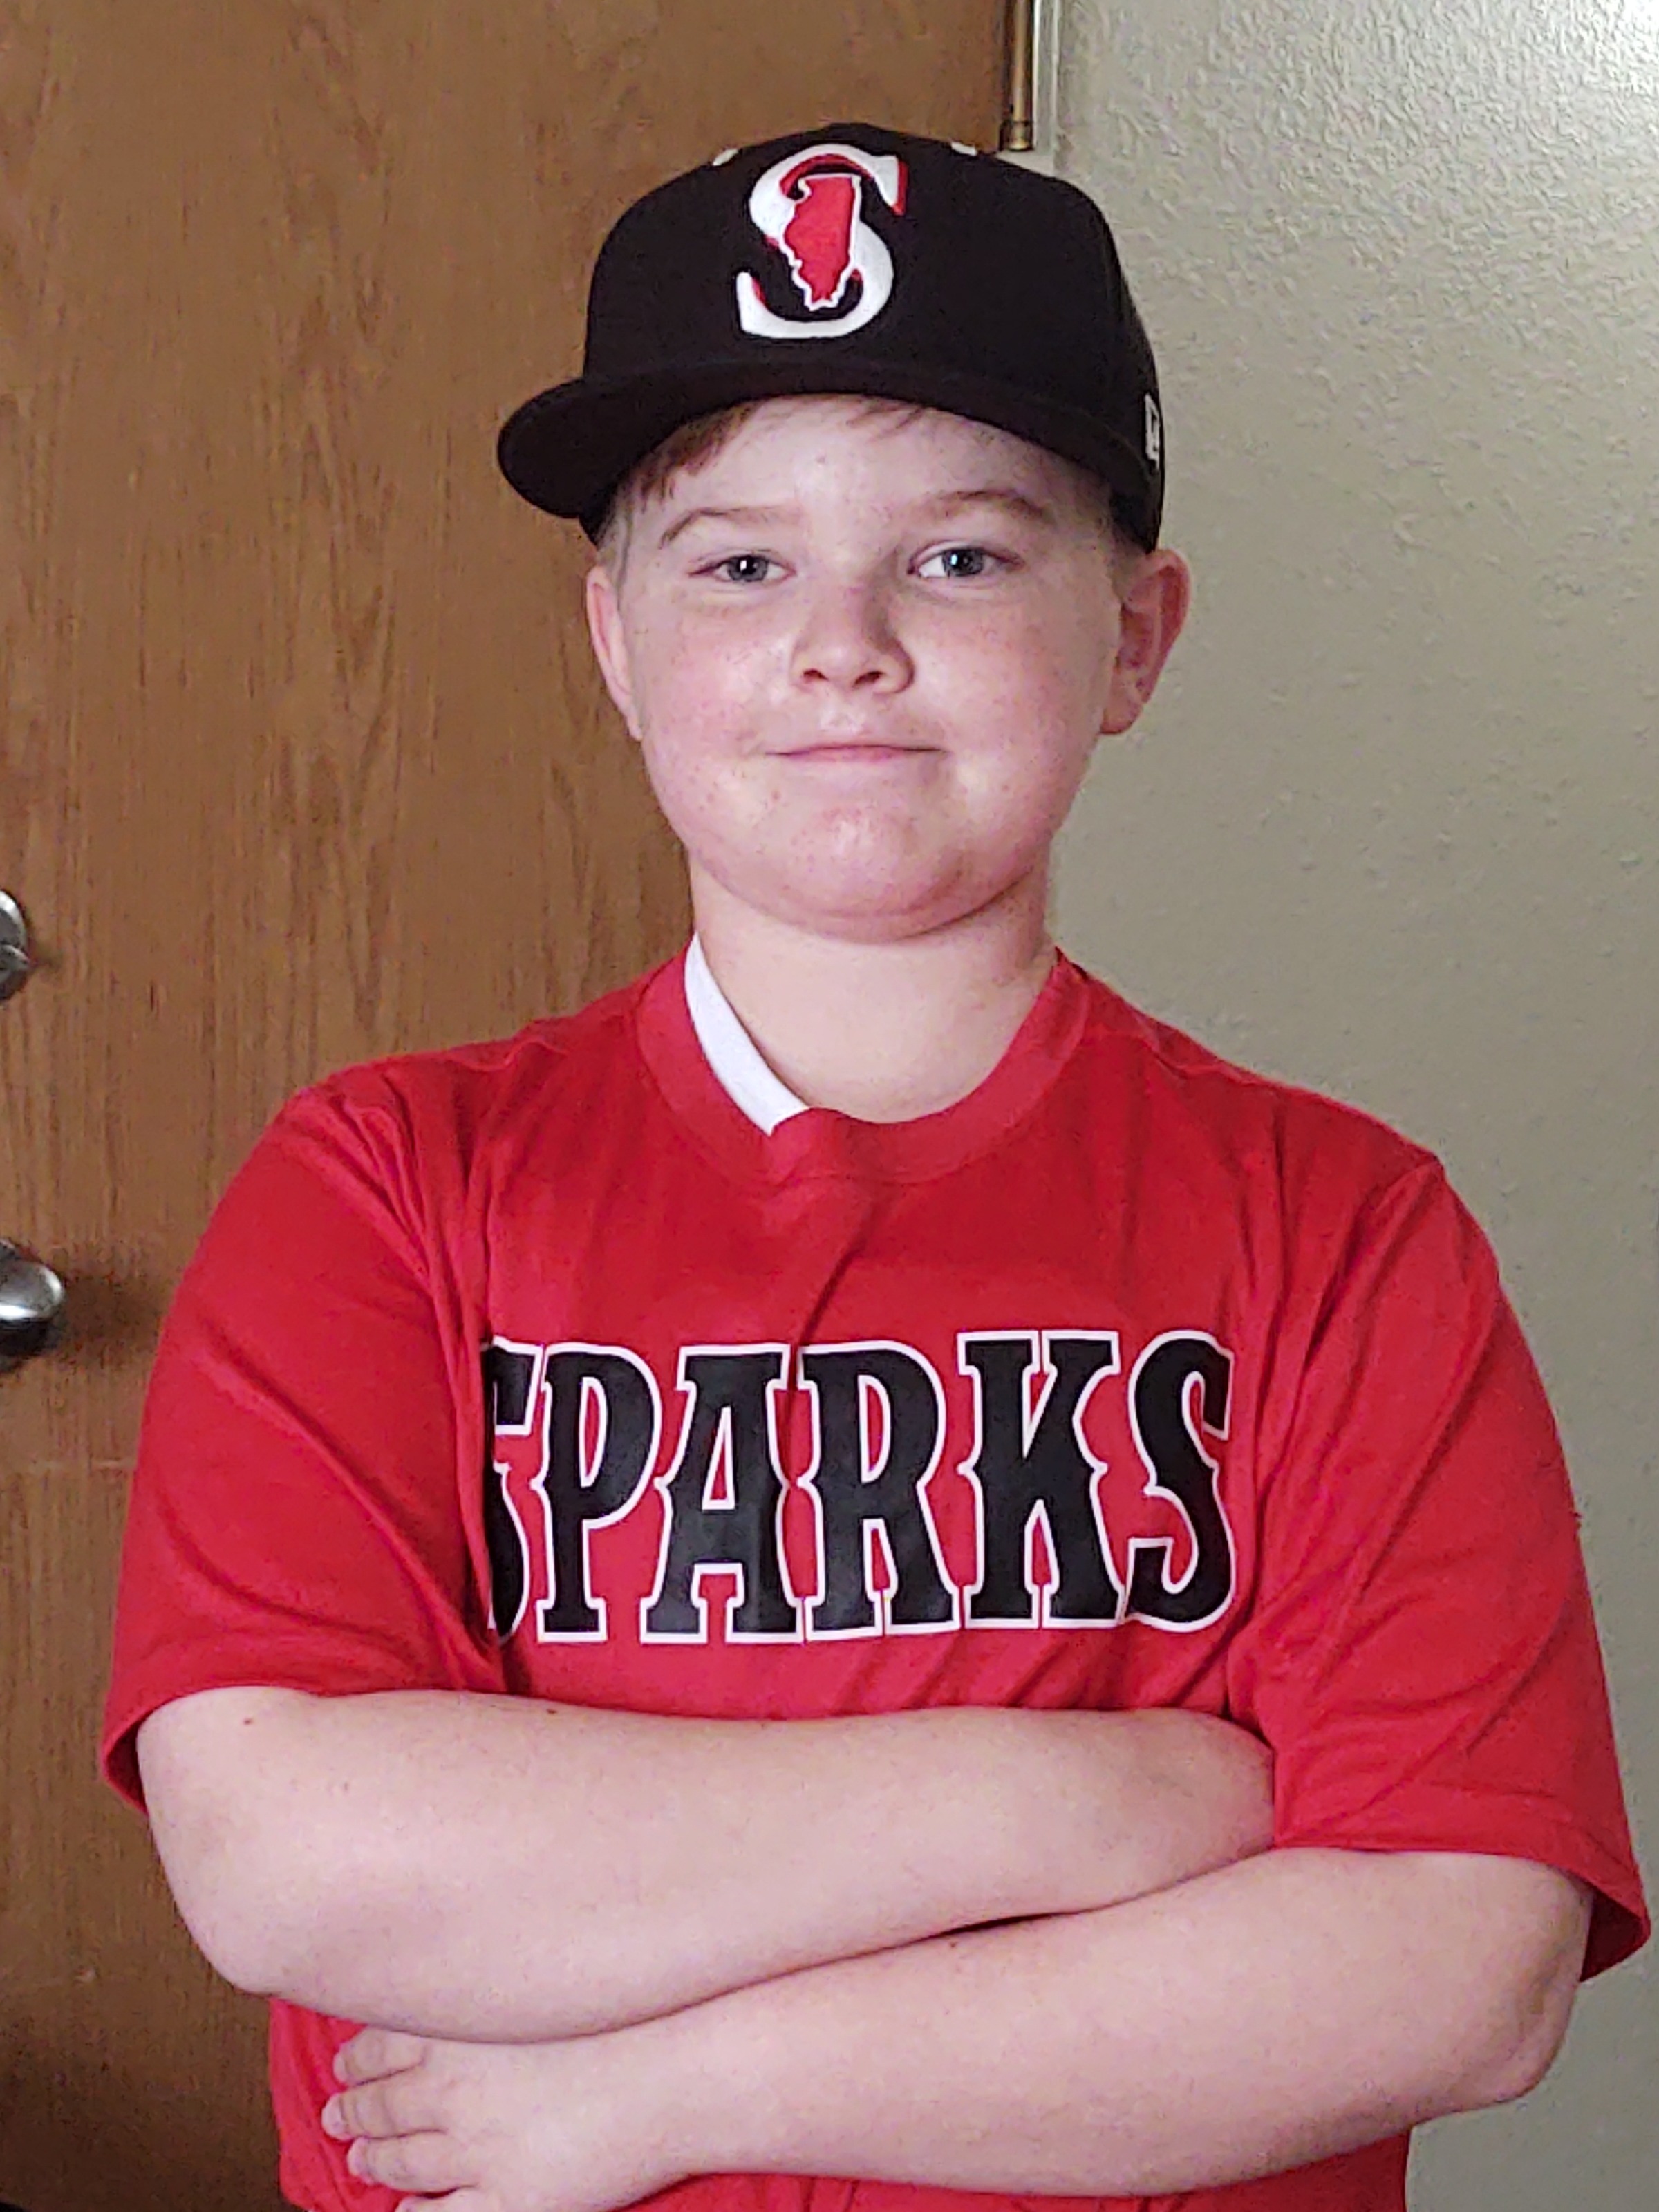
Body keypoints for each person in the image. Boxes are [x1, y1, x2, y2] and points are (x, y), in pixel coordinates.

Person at [102, 124, 1647, 2212]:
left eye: (963, 559)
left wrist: (674, 2090)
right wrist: (1088, 1804)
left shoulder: (1342, 1230)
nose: (845, 642)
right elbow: (293, 1859)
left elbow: (1454, 1972)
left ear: (1137, 639)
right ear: (614, 642)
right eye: (740, 565)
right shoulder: (385, 1184)